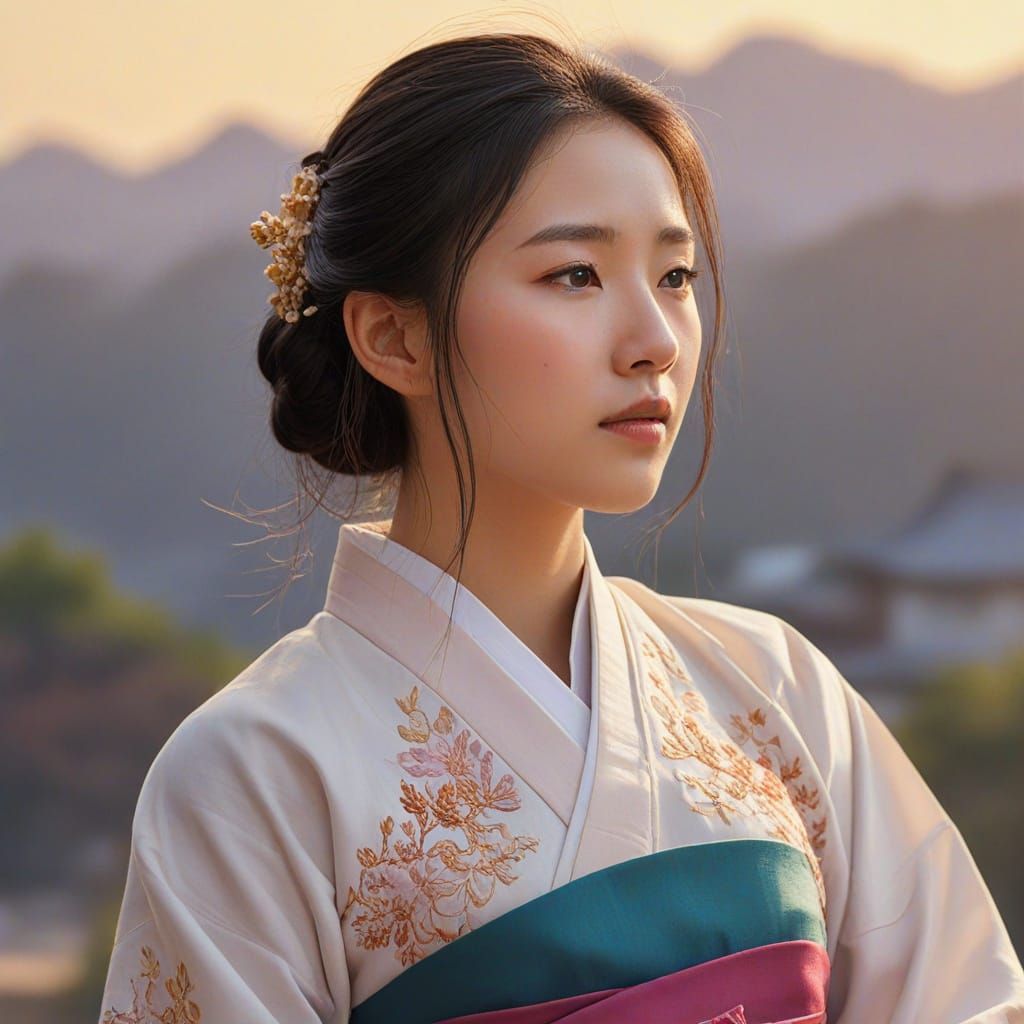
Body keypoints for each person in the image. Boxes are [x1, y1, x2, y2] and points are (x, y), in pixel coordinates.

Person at [97, 29, 1024, 1024]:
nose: (655, 342)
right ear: (391, 335)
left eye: (674, 277)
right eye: (575, 274)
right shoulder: (255, 772)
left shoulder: (774, 693)